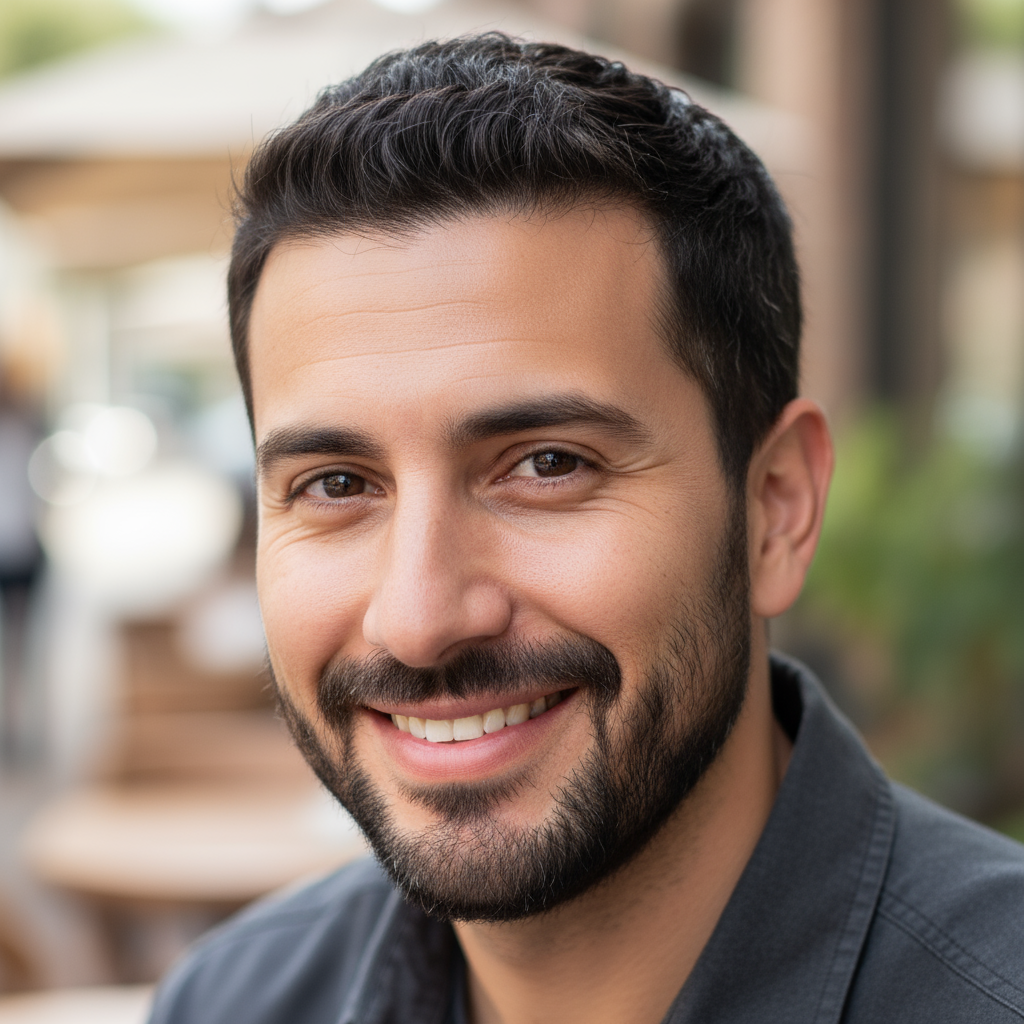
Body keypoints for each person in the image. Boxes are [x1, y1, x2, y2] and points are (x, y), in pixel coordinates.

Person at [148, 34, 1024, 1024]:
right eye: (337, 482)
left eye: (546, 465)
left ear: (774, 508)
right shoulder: (230, 1002)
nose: (420, 617)